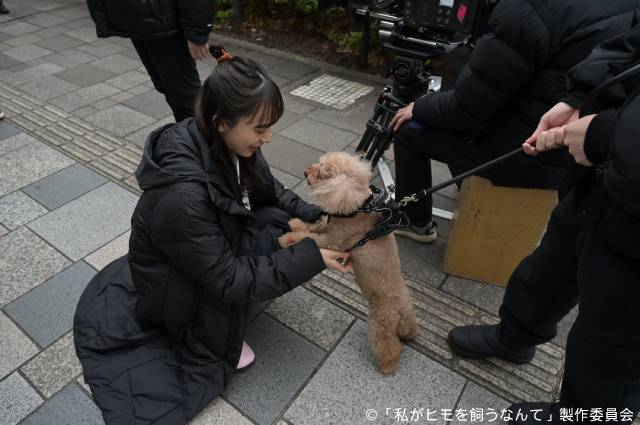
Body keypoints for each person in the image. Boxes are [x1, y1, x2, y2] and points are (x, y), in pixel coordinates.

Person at [73, 47, 351, 425]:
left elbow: (271, 193)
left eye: (271, 127)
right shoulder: (182, 196)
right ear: (222, 122)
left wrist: (315, 215)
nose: (267, 138)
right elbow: (228, 280)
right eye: (260, 128)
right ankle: (200, 333)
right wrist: (312, 257)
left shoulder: (233, 144)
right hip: (175, 289)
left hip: (199, 256)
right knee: (270, 253)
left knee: (273, 220)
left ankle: (219, 320)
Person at [447, 6, 640, 422]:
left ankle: (583, 415)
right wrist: (581, 98)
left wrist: (607, 132)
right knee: (549, 264)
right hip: (605, 174)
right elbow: (631, 43)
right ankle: (514, 336)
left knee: (611, 340)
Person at [389, 0, 638, 244]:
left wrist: (419, 107)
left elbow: (465, 109)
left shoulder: (528, 10)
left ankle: (413, 222)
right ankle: (464, 185)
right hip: (581, 157)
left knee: (408, 129)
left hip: (523, 155)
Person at [85, 0, 213, 121]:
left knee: (186, 99)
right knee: (170, 90)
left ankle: (206, 141)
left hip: (161, 17)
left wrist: (197, 29)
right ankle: (194, 138)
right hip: (139, 16)